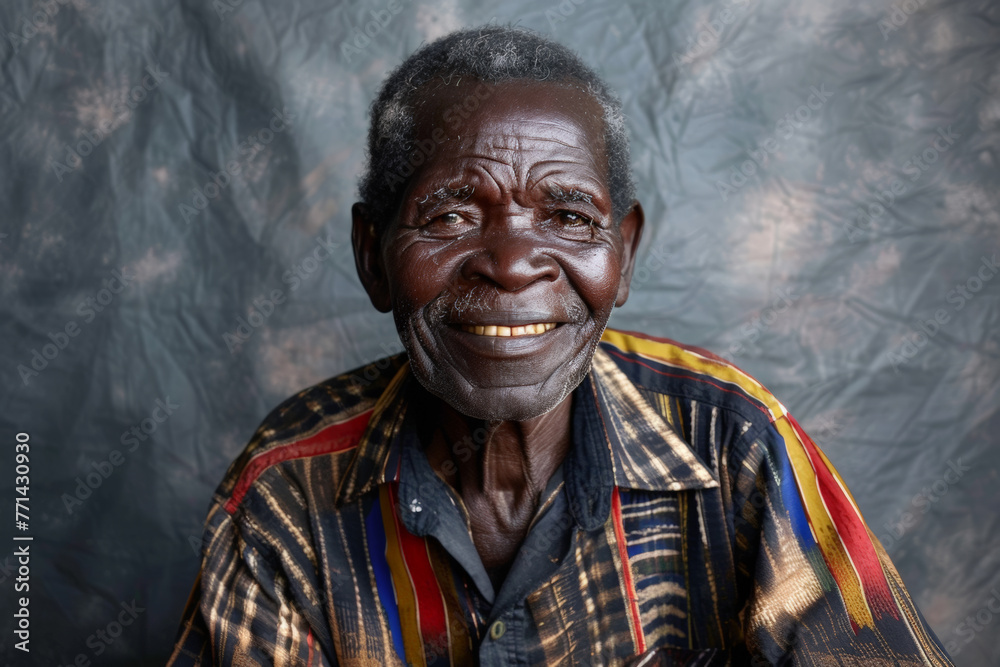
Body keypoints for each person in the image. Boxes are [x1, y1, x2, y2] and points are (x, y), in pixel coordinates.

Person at [168, 25, 953, 666]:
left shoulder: (739, 447)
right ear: (372, 256)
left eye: (569, 217)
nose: (512, 265)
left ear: (625, 253)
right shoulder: (282, 500)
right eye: (449, 217)